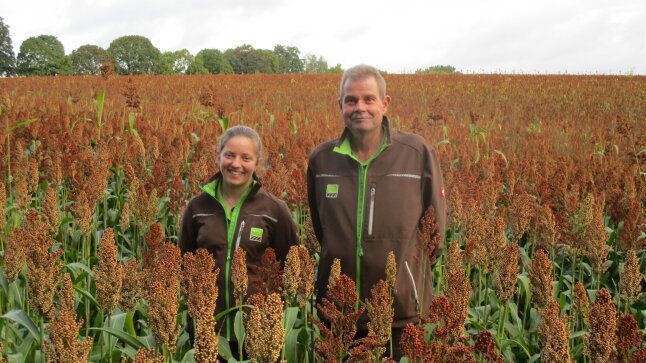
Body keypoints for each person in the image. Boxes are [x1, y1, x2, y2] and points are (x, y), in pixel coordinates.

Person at [307, 64, 446, 359]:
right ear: (340, 105)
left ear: (385, 103)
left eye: (369, 99)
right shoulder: (322, 160)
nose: (360, 108)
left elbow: (435, 232)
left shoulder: (416, 153)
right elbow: (323, 230)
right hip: (339, 308)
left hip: (400, 308)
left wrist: (408, 272)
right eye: (351, 100)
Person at [179, 125, 299, 356]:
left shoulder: (274, 210)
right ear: (218, 157)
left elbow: (290, 266)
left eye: (246, 158)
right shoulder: (197, 208)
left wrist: (271, 315)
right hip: (208, 327)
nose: (236, 164)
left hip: (258, 329)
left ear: (257, 163)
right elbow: (186, 264)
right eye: (230, 155)